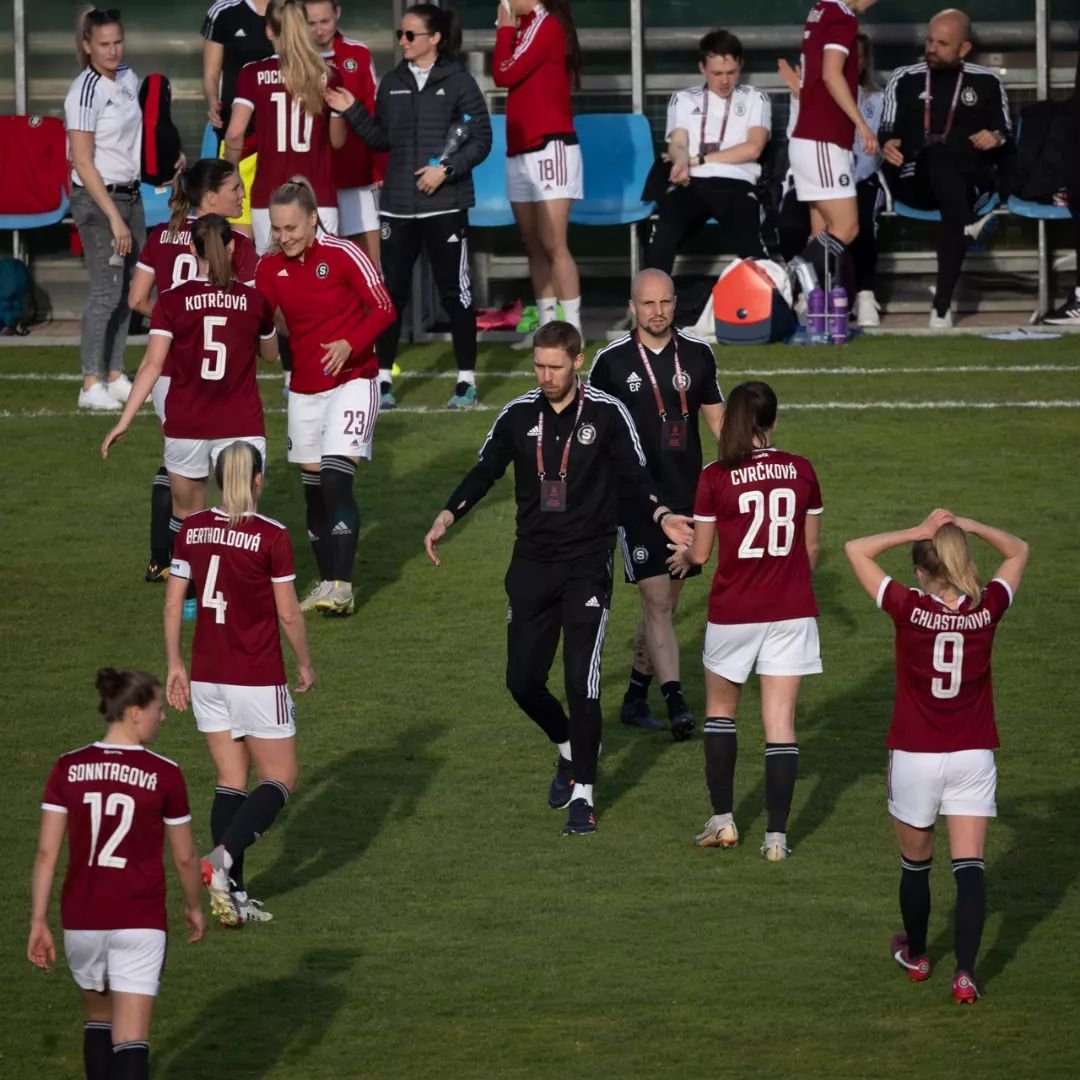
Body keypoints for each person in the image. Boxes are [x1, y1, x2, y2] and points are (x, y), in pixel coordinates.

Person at [423, 321, 693, 836]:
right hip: (531, 563)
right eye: (539, 366)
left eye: (555, 366)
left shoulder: (609, 416)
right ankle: (568, 746)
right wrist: (447, 515)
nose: (546, 376)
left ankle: (585, 797)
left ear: (578, 361)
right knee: (521, 681)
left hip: (587, 564)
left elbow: (636, 477)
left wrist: (662, 516)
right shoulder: (518, 414)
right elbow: (485, 471)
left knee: (580, 679)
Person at [844, 510, 1028, 1003]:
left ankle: (919, 955)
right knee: (969, 868)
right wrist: (971, 526)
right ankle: (966, 974)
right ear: (961, 560)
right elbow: (1018, 551)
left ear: (922, 571)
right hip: (973, 754)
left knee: (915, 864)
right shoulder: (988, 607)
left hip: (916, 754)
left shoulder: (906, 606)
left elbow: (854, 549)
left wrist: (915, 531)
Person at [165, 441, 316, 927]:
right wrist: (305, 662)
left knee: (231, 782)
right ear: (257, 480)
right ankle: (222, 859)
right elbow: (288, 611)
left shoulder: (191, 529)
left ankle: (232, 894)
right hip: (256, 675)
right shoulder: (271, 535)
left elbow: (173, 604)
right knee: (281, 778)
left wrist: (174, 664)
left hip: (207, 674)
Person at [28, 667, 205, 1080]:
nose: (163, 717)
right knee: (131, 1036)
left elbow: (45, 852)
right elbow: (184, 856)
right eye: (158, 709)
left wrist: (38, 920)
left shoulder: (68, 767)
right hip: (139, 919)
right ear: (133, 712)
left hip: (82, 919)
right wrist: (194, 906)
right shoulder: (165, 773)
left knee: (98, 1021)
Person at [670, 381, 822, 861]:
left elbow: (700, 552)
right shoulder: (802, 470)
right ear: (773, 421)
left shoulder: (715, 476)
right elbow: (811, 549)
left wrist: (683, 557)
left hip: (735, 611)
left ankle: (723, 821)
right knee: (781, 724)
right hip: (792, 609)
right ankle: (776, 838)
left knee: (721, 713)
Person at [326, 5, 491, 412]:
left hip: (445, 207)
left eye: (410, 35)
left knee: (456, 294)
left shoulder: (460, 82)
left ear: (434, 39)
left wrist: (446, 170)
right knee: (388, 296)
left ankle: (465, 383)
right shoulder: (393, 82)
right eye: (401, 33)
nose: (402, 41)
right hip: (398, 207)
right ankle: (382, 381)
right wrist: (351, 109)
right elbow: (382, 140)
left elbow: (481, 139)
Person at [588, 269, 724, 740]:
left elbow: (719, 423)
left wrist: (746, 471)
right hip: (636, 499)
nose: (658, 312)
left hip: (689, 499)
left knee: (665, 603)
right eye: (648, 304)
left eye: (665, 302)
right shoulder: (610, 361)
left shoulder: (700, 355)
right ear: (633, 306)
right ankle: (677, 702)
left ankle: (633, 697)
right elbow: (595, 434)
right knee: (658, 601)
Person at [101, 214, 277, 577]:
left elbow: (151, 366)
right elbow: (271, 354)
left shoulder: (170, 302)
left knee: (188, 520)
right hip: (240, 421)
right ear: (231, 247)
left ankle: (192, 596)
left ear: (192, 248)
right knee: (240, 519)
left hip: (186, 423)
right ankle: (235, 592)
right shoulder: (254, 300)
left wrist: (124, 420)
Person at [255, 177, 396, 616]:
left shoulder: (344, 254)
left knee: (337, 476)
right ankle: (325, 582)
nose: (284, 237)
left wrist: (349, 344)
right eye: (277, 229)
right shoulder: (269, 266)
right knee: (313, 491)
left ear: (314, 219)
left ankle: (342, 584)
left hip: (354, 380)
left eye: (291, 228)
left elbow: (385, 307)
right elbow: (255, 318)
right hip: (304, 390)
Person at [129, 158, 257, 584]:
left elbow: (136, 300)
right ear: (211, 196)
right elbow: (254, 317)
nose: (242, 194)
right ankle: (216, 570)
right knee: (220, 479)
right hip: (211, 375)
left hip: (169, 370)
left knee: (176, 464)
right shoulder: (231, 240)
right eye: (235, 188)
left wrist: (177, 328)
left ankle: (160, 559)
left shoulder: (163, 235)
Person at [879, 9, 1012, 328]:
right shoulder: (905, 77)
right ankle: (942, 301)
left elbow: (1005, 130)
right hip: (917, 178)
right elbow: (886, 128)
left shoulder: (987, 80)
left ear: (964, 48)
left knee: (954, 195)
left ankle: (942, 304)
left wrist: (994, 137)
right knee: (937, 156)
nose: (931, 49)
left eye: (942, 43)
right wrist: (889, 144)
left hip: (970, 180)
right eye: (929, 40)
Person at [65, 7, 146, 411]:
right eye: (104, 44)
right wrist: (114, 218)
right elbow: (82, 161)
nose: (113, 51)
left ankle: (115, 374)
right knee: (105, 291)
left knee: (129, 290)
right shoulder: (84, 90)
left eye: (117, 42)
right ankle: (90, 381)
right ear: (87, 46)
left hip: (131, 195)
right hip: (100, 200)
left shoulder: (128, 78)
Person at [645, 30, 770, 283]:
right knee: (664, 233)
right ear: (702, 68)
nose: (724, 81)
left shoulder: (755, 97)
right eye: (717, 74)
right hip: (692, 182)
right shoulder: (682, 99)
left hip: (737, 183)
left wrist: (698, 159)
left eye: (731, 72)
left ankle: (770, 305)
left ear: (740, 66)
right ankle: (649, 304)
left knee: (751, 242)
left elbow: (754, 148)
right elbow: (678, 142)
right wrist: (681, 161)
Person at [779, 32, 886, 326]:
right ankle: (806, 293)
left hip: (858, 178)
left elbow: (875, 148)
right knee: (792, 225)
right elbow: (795, 136)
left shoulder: (877, 100)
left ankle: (864, 295)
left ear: (864, 63)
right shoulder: (809, 95)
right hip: (813, 176)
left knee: (860, 224)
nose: (850, 63)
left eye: (857, 58)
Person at [223, 0, 346, 253]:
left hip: (269, 195)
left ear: (269, 30)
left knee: (271, 280)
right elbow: (337, 140)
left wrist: (234, 173)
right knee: (320, 280)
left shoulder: (252, 73)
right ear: (304, 27)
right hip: (317, 196)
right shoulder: (328, 74)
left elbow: (234, 134)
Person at [493, 0, 584, 337]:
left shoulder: (544, 24)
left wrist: (504, 31)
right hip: (520, 149)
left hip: (550, 146)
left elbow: (503, 72)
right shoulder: (527, 25)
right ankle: (548, 327)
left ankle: (571, 328)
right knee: (531, 242)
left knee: (553, 242)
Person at [305, 0, 385, 262]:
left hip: (355, 173)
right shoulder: (296, 59)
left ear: (337, 14)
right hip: (311, 177)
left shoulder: (358, 53)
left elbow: (374, 113)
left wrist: (378, 170)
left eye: (325, 21)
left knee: (369, 262)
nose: (319, 30)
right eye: (311, 23)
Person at [202, 0, 273, 238]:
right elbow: (211, 74)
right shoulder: (222, 12)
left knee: (281, 231)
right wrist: (213, 101)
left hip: (279, 144)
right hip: (239, 141)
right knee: (240, 235)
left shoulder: (290, 9)